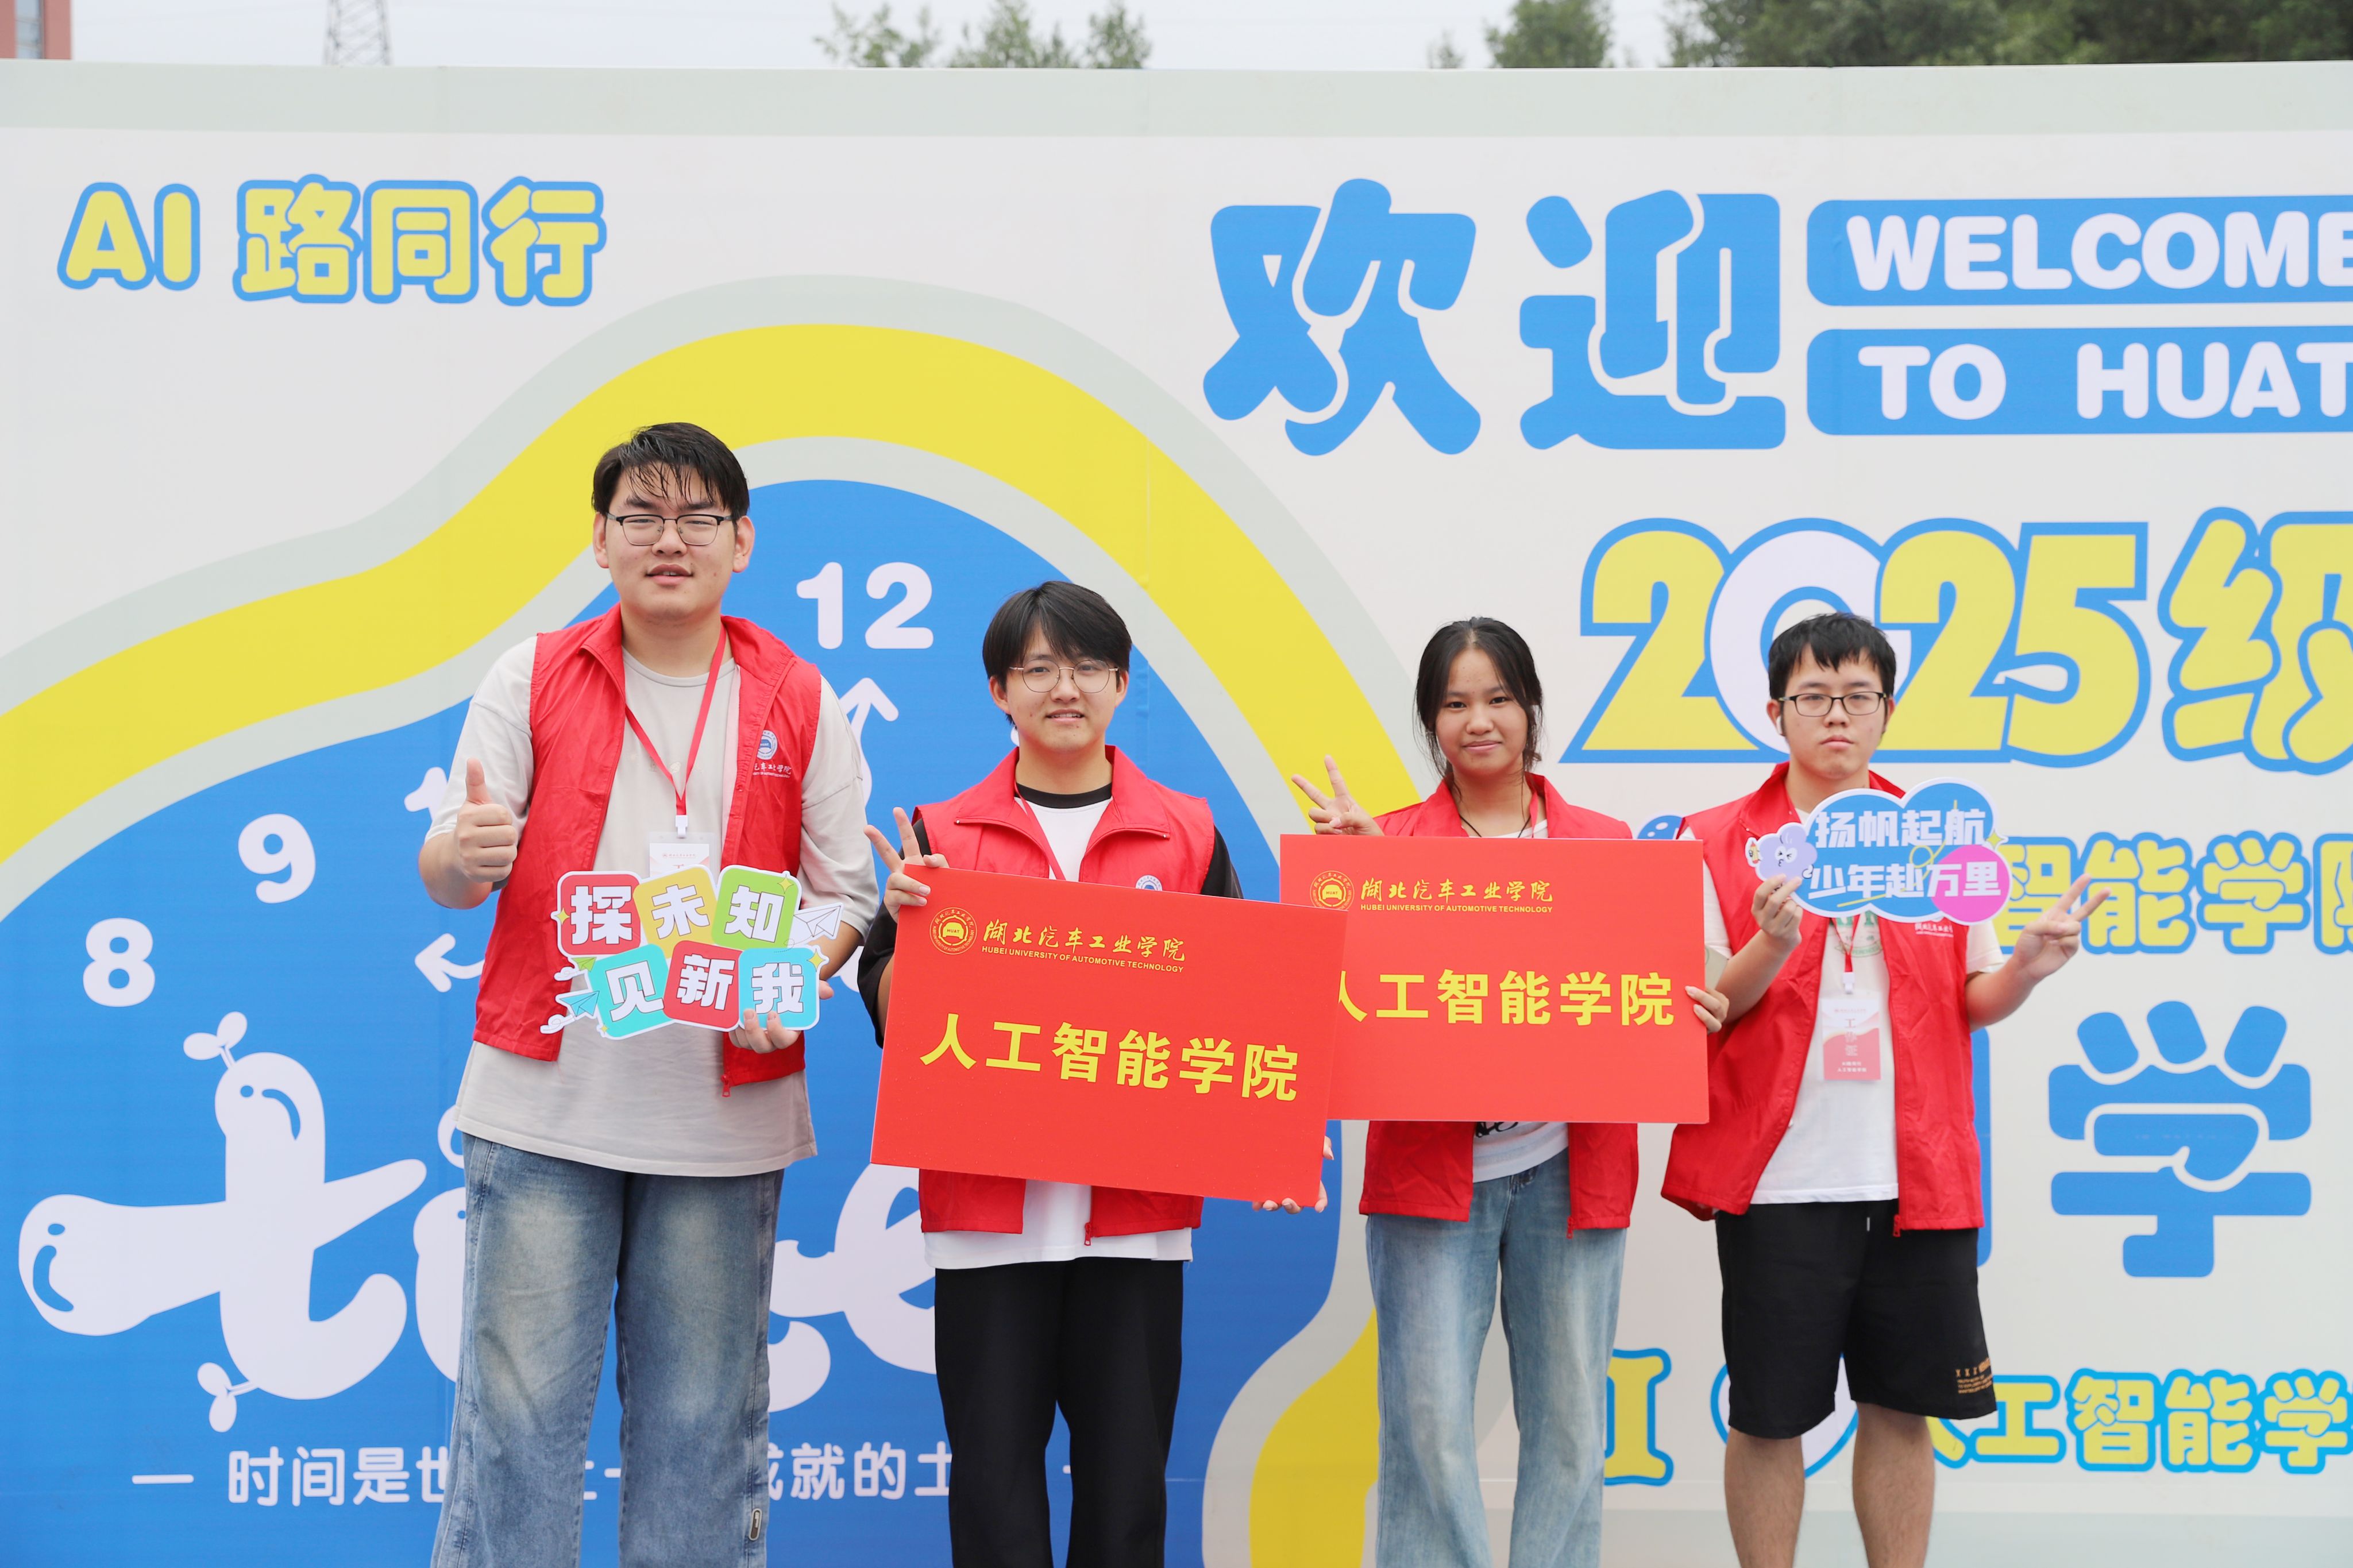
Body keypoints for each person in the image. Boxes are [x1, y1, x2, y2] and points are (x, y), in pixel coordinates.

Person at [419, 423, 877, 1567]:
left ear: (742, 541)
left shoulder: (798, 696)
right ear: (599, 539)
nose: (668, 540)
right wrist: (462, 854)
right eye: (640, 516)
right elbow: (448, 867)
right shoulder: (530, 675)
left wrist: (795, 974)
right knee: (516, 1429)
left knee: (700, 1436)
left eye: (697, 518)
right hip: (544, 1109)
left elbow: (848, 895)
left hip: (722, 1121)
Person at [1660, 612, 2103, 1568]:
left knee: (1904, 1408)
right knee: (1770, 1414)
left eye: (1858, 696)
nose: (1837, 715)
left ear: (1887, 711)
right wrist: (1772, 941)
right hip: (1778, 1178)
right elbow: (1707, 1003)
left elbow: (1972, 998)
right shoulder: (1716, 840)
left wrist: (2026, 969)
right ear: (1776, 712)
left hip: (1915, 1175)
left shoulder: (1938, 836)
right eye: (1814, 696)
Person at [1290, 616, 1727, 1568]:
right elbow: (1334, 1009)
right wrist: (1362, 873)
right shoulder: (1387, 842)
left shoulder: (1606, 846)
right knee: (1427, 1421)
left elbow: (1661, 984)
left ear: (1531, 708)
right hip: (1430, 1175)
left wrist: (1692, 1003)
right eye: (1455, 703)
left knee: (1570, 1425)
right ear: (1430, 722)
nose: (1479, 720)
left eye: (1498, 698)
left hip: (1568, 1169)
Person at [857, 580, 1264, 1568]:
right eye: (1038, 667)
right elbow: (897, 1021)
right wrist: (913, 925)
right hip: (988, 1220)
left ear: (1121, 682)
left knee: (1127, 1494)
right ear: (1000, 690)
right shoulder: (937, 836)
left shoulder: (1188, 832)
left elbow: (1244, 1004)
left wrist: (1271, 1133)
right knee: (994, 1491)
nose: (1064, 687)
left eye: (1085, 665)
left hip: (1137, 1218)